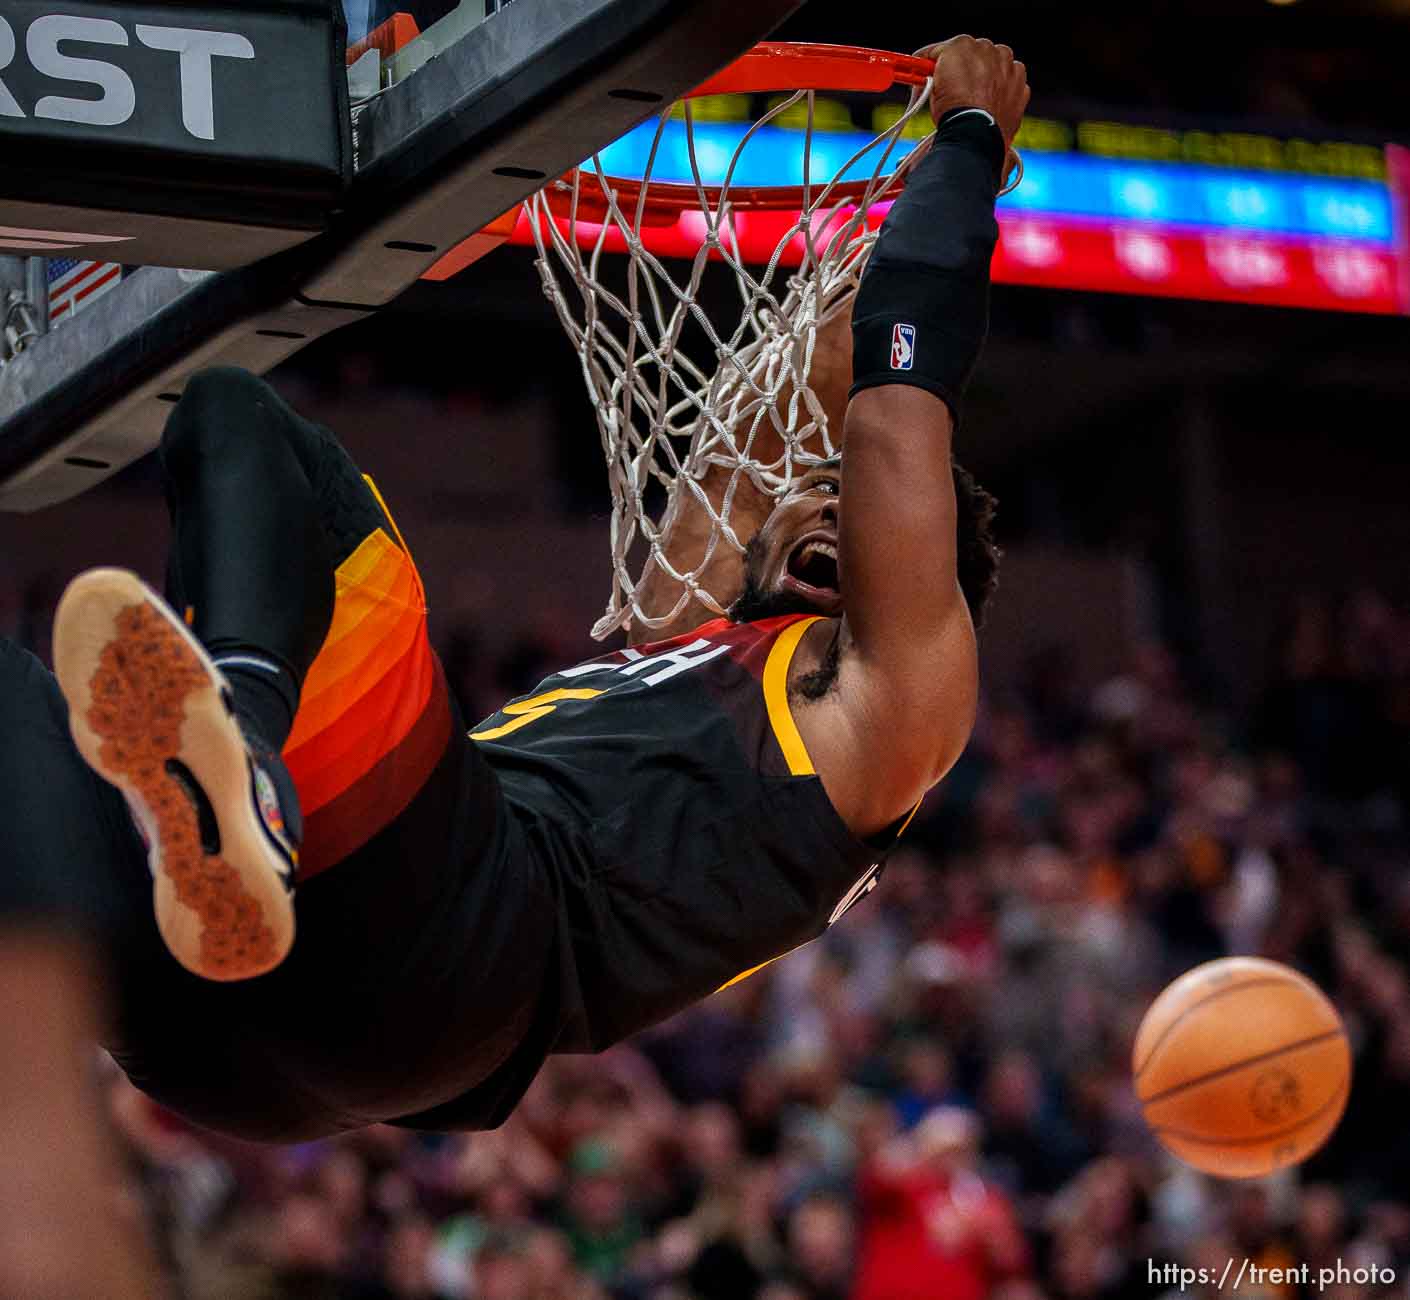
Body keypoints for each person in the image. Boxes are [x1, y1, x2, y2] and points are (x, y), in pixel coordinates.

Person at [4, 36, 1026, 1145]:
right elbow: (767, 423)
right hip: (240, 1061)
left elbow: (890, 408)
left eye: (856, 509)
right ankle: (208, 816)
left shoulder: (887, 704)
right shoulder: (683, 627)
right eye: (813, 491)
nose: (825, 508)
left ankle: (239, 749)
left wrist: (970, 145)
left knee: (243, 422)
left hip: (464, 945)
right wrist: (893, 194)